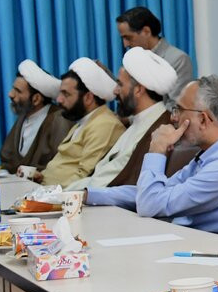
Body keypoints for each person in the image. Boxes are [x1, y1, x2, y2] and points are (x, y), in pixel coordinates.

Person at [86, 76, 218, 236]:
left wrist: (157, 149)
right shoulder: (215, 152)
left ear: (203, 119)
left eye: (179, 109)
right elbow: (154, 193)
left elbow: (149, 204)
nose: (173, 117)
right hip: (190, 242)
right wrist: (88, 195)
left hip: (212, 253)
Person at [68, 47, 176, 191]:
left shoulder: (160, 127)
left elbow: (125, 184)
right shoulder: (138, 121)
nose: (115, 91)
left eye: (120, 84)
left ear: (138, 90)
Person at [37, 58, 126, 187]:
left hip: (62, 195)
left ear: (88, 98)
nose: (59, 99)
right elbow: (64, 162)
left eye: (66, 94)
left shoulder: (104, 124)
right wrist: (40, 176)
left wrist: (48, 192)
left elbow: (84, 175)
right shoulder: (85, 121)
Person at [1, 60, 73, 174]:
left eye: (18, 91)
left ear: (36, 99)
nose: (11, 94)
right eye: (13, 88)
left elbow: (62, 165)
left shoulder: (59, 120)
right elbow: (8, 160)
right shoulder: (24, 116)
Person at [116, 6, 193, 96]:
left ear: (146, 31)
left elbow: (177, 101)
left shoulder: (179, 59)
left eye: (128, 38)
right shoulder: (131, 60)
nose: (125, 44)